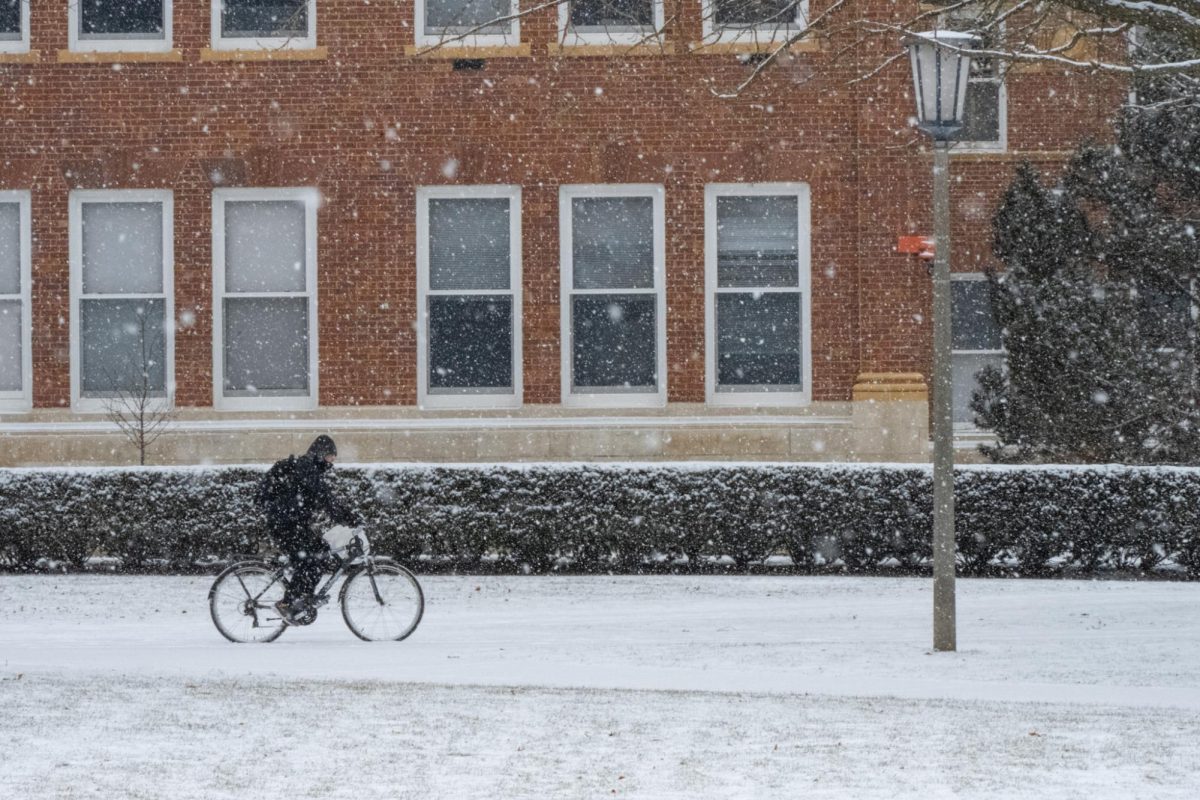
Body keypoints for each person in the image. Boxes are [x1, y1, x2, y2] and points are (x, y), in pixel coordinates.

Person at [256, 435, 360, 623]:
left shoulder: (308, 468)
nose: (331, 462)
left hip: (291, 523)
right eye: (330, 457)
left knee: (320, 552)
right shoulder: (306, 468)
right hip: (285, 524)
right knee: (309, 560)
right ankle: (288, 604)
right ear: (320, 454)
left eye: (333, 459)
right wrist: (349, 518)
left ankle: (303, 601)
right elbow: (325, 497)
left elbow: (323, 497)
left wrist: (343, 515)